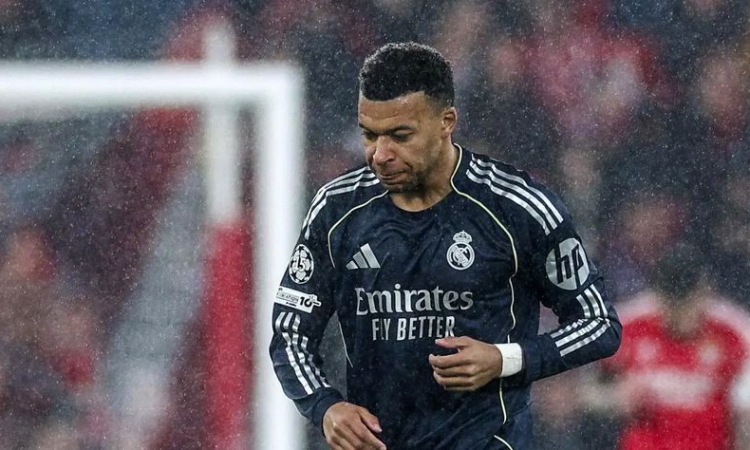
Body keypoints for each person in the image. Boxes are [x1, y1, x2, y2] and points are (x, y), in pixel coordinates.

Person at [269, 42, 621, 450]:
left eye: (400, 136)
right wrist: (325, 406)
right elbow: (290, 333)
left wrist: (505, 359)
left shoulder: (517, 208)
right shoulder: (337, 209)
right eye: (369, 134)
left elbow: (599, 323)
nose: (380, 154)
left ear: (446, 122)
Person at [582, 244, 750, 450]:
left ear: (704, 293)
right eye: (670, 304)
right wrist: (614, 398)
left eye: (686, 303)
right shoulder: (626, 326)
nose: (679, 314)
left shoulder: (735, 333)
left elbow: (745, 415)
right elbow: (585, 393)